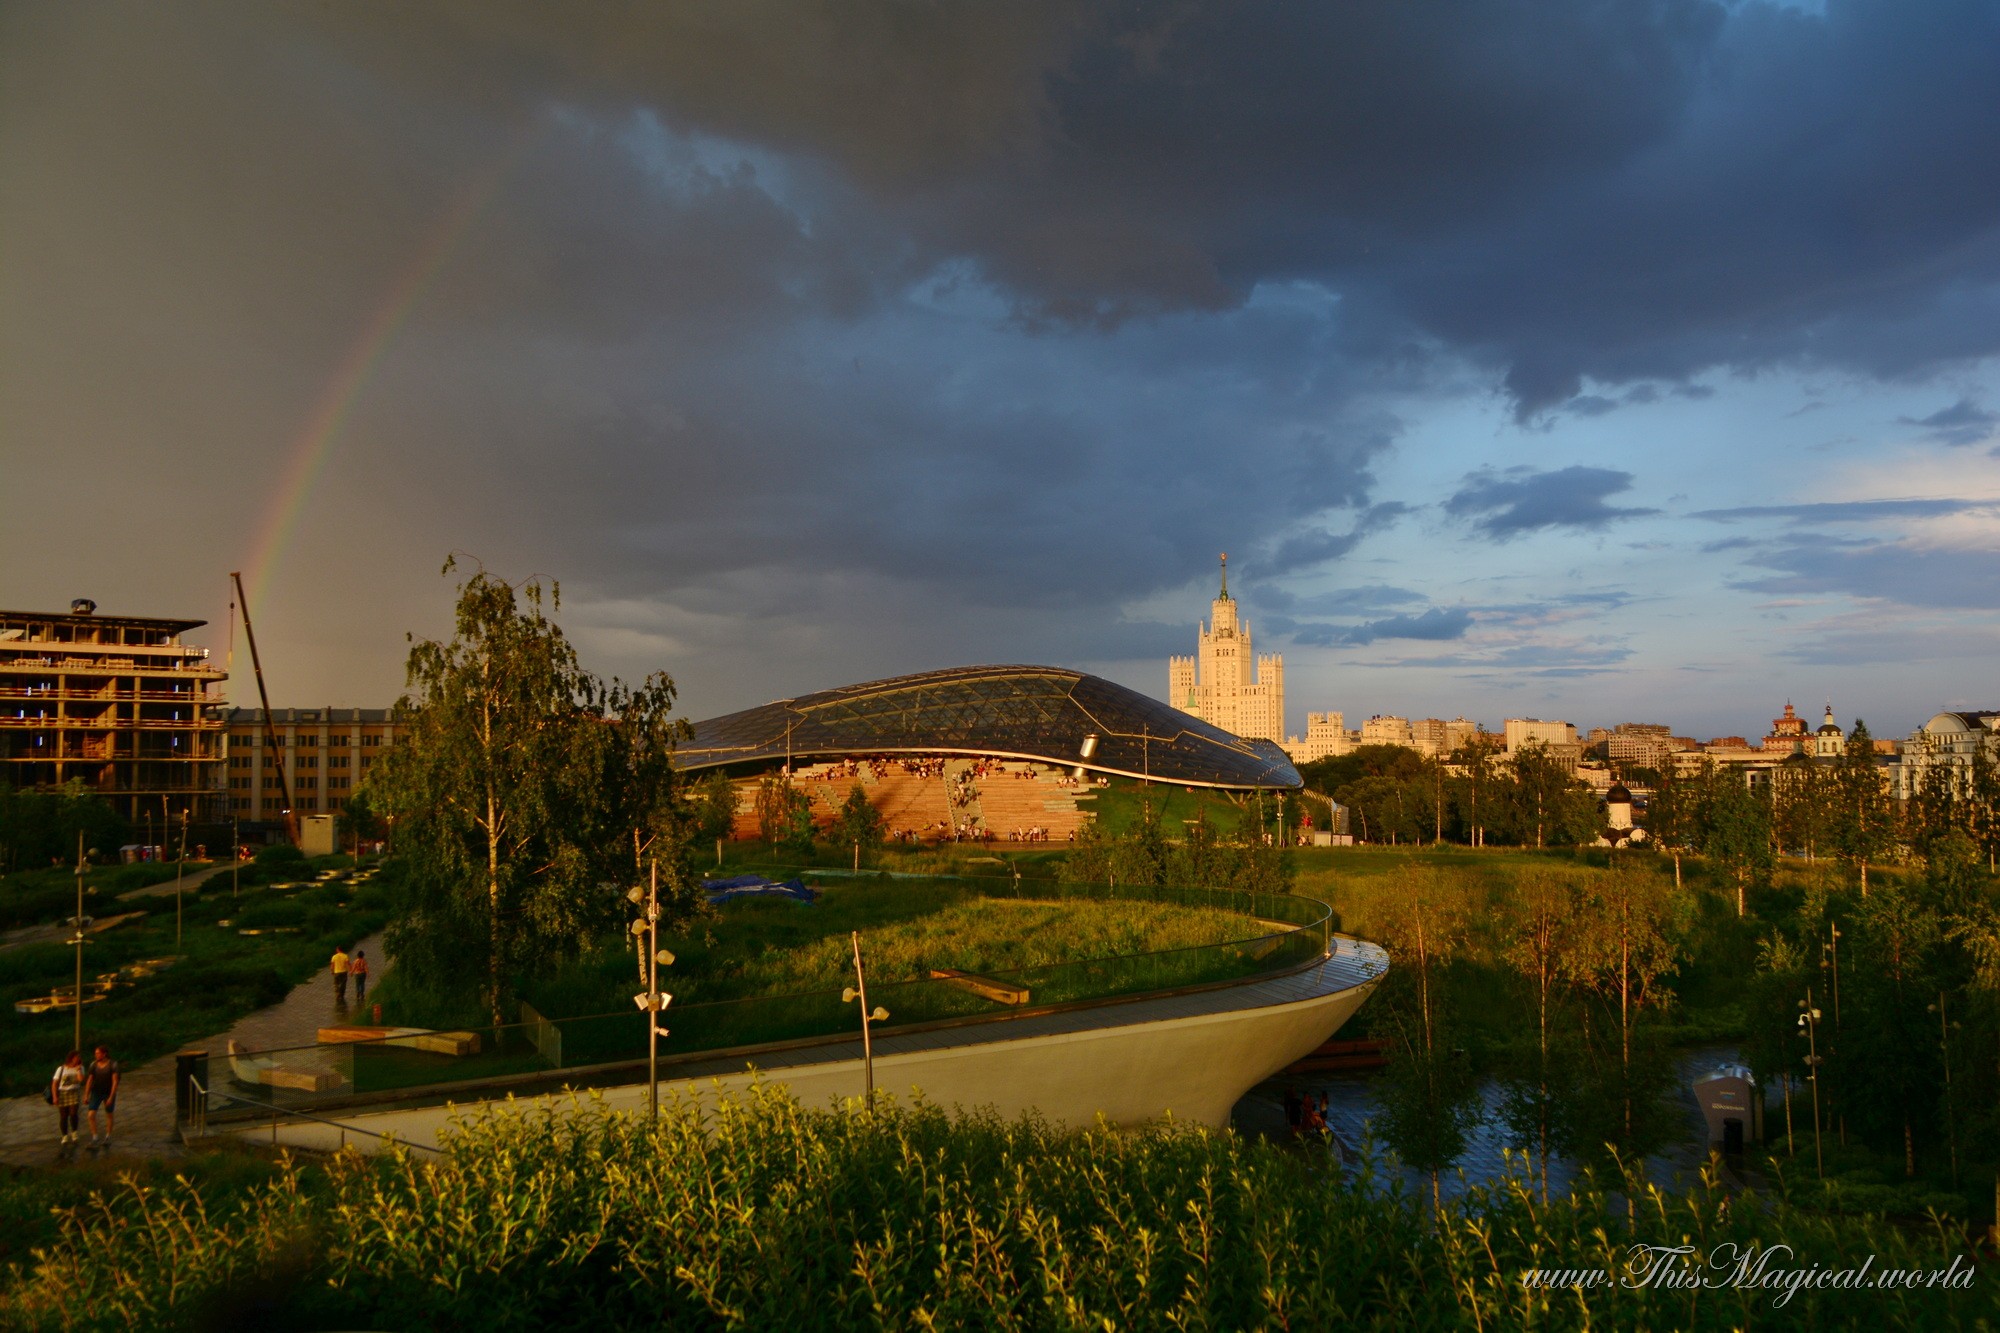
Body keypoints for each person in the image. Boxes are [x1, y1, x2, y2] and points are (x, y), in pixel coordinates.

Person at [84, 1045, 120, 1146]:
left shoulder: (113, 1065)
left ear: (104, 1054)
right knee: (91, 1115)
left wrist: (111, 1097)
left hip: (108, 1092)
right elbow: (90, 1080)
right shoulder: (93, 1065)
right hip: (96, 1092)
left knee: (109, 1114)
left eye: (98, 1053)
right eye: (95, 1053)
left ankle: (108, 1136)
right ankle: (95, 1137)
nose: (96, 1055)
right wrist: (86, 1094)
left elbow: (115, 1082)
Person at [50, 1050, 84, 1146]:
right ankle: (64, 1135)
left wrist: (78, 1070)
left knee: (73, 1113)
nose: (78, 1058)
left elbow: (81, 1080)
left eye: (79, 1057)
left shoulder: (80, 1068)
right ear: (71, 1058)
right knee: (63, 1116)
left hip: (74, 1092)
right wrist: (55, 1096)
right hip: (63, 1093)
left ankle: (74, 1132)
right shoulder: (61, 1069)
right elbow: (54, 1083)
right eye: (77, 1057)